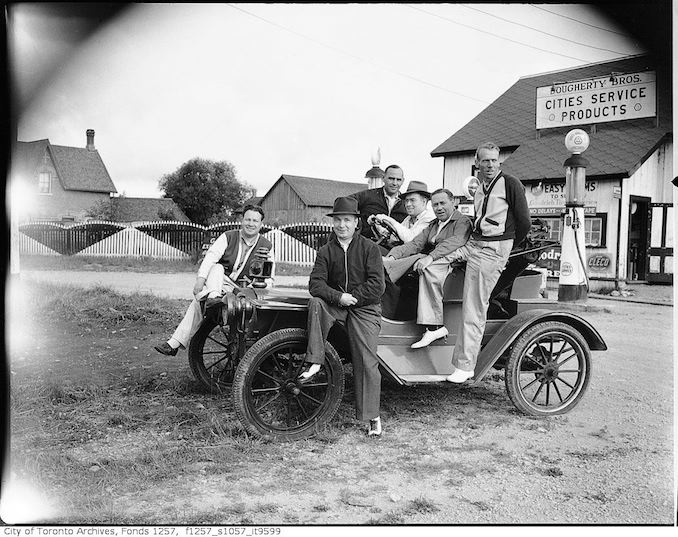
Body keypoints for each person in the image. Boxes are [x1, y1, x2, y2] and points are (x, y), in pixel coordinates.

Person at [445, 142, 531, 383]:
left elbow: (524, 221)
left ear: (499, 161)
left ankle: (465, 365)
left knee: (473, 305)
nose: (490, 164)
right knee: (434, 262)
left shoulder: (510, 183)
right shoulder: (480, 187)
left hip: (493, 249)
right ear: (477, 164)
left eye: (494, 160)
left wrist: (505, 246)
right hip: (476, 244)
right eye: (485, 161)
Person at [303, 196, 386, 437]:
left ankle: (372, 417)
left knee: (366, 359)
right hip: (337, 303)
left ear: (356, 222)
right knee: (315, 303)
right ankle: (316, 360)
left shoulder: (370, 248)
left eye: (347, 220)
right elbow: (315, 284)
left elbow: (377, 286)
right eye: (338, 220)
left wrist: (354, 297)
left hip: (365, 308)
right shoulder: (326, 250)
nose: (342, 225)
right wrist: (339, 297)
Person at [153, 205, 274, 356]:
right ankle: (213, 298)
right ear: (241, 220)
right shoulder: (228, 236)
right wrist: (200, 281)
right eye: (247, 219)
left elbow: (269, 276)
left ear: (261, 224)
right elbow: (210, 258)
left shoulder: (266, 245)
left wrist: (256, 294)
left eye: (255, 221)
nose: (251, 224)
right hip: (221, 284)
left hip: (245, 290)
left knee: (198, 303)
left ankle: (174, 343)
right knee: (216, 267)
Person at [383, 189, 471, 348]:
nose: (439, 208)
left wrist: (430, 257)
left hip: (454, 264)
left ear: (453, 202)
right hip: (437, 259)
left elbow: (454, 243)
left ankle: (434, 327)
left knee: (426, 268)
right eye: (435, 204)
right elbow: (415, 244)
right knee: (413, 268)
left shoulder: (461, 222)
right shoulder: (434, 224)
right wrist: (393, 255)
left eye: (443, 203)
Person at [349, 164, 408, 240]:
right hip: (368, 245)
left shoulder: (407, 204)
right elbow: (345, 202)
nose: (395, 183)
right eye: (391, 178)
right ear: (383, 178)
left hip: (395, 248)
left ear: (403, 181)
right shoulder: (368, 196)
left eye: (398, 180)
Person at [372, 180, 435, 245]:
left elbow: (410, 239)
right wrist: (376, 226)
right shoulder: (409, 219)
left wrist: (389, 220)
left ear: (424, 202)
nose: (408, 204)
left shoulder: (429, 219)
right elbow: (394, 238)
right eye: (406, 200)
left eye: (412, 200)